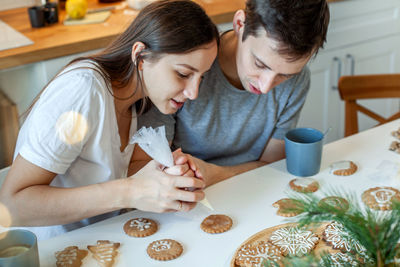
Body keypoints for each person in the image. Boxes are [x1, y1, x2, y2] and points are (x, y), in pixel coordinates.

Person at [0, 0, 219, 240]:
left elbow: (124, 166)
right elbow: (12, 205)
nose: (194, 92)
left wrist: (167, 173)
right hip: (49, 249)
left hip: (102, 240)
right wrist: (130, 191)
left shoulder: (138, 99)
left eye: (202, 77)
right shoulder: (83, 91)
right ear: (141, 56)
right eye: (183, 74)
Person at [138, 0, 330, 187]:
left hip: (256, 187)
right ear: (240, 24)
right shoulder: (187, 68)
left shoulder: (298, 80)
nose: (265, 88)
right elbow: (147, 168)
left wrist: (217, 174)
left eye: (285, 75)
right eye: (260, 64)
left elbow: (271, 164)